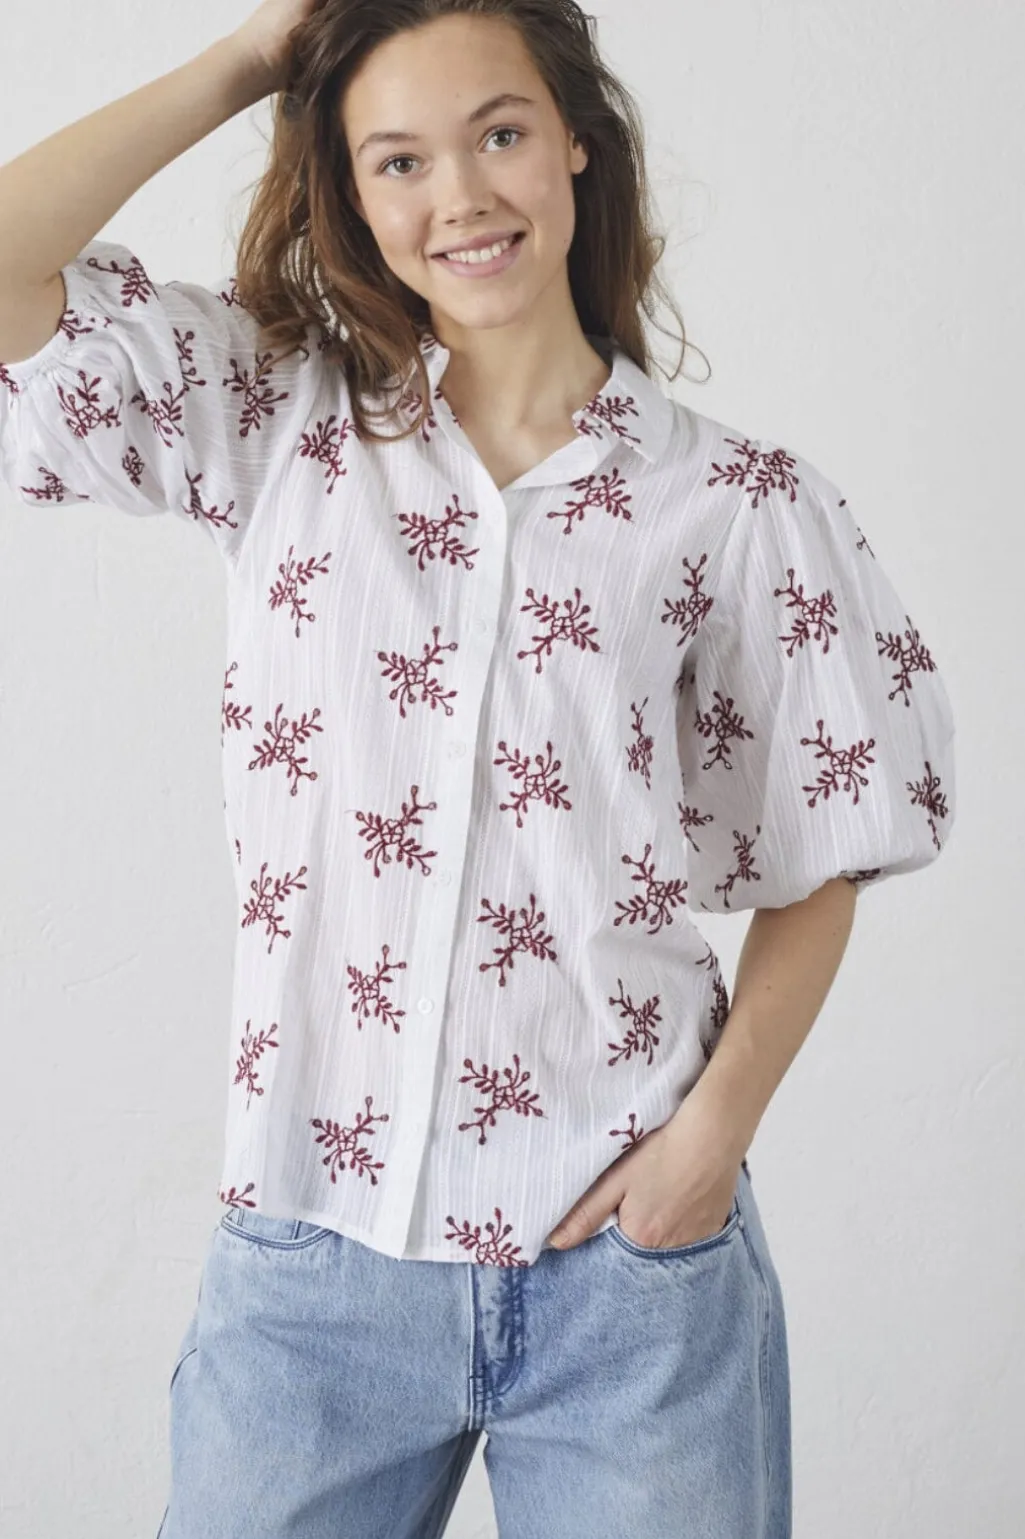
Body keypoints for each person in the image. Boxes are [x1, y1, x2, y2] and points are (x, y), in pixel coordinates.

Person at [0, 2, 957, 1535]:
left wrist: (708, 1144)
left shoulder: (734, 505)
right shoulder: (275, 422)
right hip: (312, 1264)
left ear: (575, 140)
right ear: (349, 190)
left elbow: (826, 845)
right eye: (398, 159)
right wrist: (253, 60)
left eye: (499, 133)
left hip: (629, 1282)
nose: (460, 195)